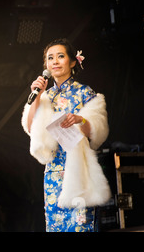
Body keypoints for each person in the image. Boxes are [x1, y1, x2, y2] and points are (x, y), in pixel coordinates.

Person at [21, 38, 111, 232]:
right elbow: (30, 128)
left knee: (80, 226)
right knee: (55, 227)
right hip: (54, 173)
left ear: (72, 62)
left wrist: (81, 120)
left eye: (60, 56)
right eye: (50, 58)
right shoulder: (45, 96)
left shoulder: (85, 93)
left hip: (78, 172)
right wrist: (37, 96)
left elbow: (98, 132)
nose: (54, 61)